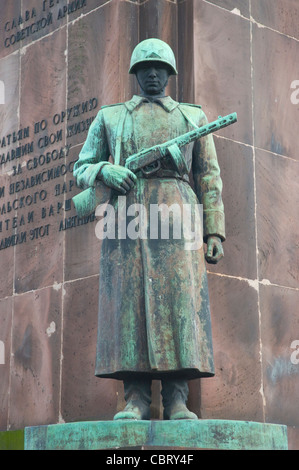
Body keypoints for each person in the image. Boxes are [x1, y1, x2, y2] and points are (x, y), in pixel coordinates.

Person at [73, 38, 225, 420]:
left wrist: (214, 232)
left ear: (170, 74)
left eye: (160, 68)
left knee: (179, 307)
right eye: (145, 68)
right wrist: (105, 170)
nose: (153, 74)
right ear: (135, 73)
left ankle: (177, 398)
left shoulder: (193, 117)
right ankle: (136, 398)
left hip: (179, 218)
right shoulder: (111, 117)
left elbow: (209, 176)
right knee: (129, 306)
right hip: (127, 218)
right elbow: (82, 166)